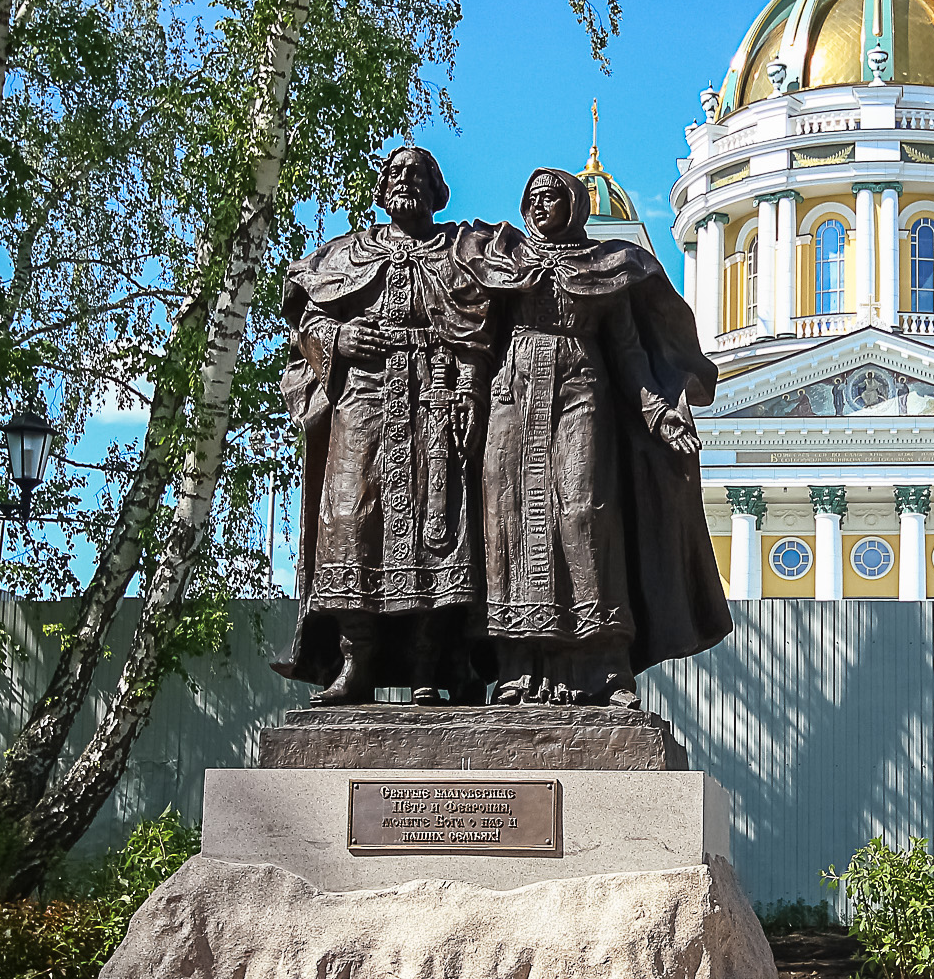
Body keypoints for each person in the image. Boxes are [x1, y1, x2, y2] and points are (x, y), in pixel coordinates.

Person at [469, 167, 731, 706]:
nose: (540, 207)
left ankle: (605, 665)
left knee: (586, 511)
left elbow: (632, 353)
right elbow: (470, 336)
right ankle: (519, 667)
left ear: (574, 207)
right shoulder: (504, 262)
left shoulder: (607, 266)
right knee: (511, 521)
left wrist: (660, 413)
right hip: (512, 398)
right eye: (533, 199)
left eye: (551, 198)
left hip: (580, 388)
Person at [273, 145, 500, 704]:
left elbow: (477, 325)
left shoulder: (456, 253)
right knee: (351, 521)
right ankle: (357, 662)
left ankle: (430, 666)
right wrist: (336, 339)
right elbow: (309, 315)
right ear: (381, 189)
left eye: (419, 174)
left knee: (439, 525)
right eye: (396, 173)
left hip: (435, 392)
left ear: (437, 188)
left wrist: (468, 390)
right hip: (364, 395)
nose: (407, 182)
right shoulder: (350, 253)